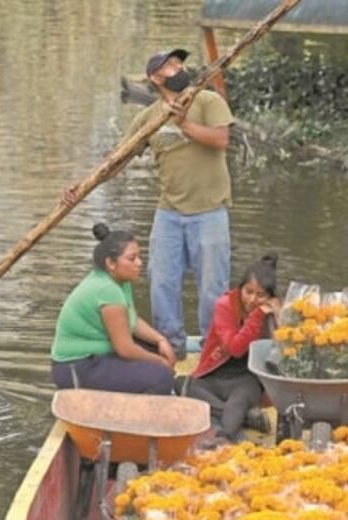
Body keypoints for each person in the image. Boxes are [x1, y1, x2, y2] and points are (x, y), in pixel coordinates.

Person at [126, 48, 235, 360]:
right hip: (169, 213)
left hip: (210, 210)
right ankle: (170, 348)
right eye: (170, 65)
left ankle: (213, 351)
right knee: (161, 283)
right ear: (155, 78)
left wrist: (183, 124)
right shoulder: (147, 119)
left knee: (213, 290)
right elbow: (119, 160)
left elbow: (221, 140)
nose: (178, 67)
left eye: (179, 62)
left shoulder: (208, 101)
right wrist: (80, 185)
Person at [50, 223, 175, 394]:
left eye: (139, 256)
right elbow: (124, 349)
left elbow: (131, 320)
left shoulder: (120, 281)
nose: (139, 263)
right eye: (132, 259)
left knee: (153, 348)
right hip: (76, 368)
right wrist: (160, 363)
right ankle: (130, 417)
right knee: (161, 377)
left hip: (94, 357)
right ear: (111, 263)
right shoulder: (107, 290)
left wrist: (161, 340)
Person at [179, 254, 280, 443]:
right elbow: (234, 348)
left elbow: (283, 347)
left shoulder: (273, 311)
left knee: (239, 400)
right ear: (240, 288)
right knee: (187, 388)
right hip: (214, 374)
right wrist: (257, 316)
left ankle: (224, 436)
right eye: (248, 291)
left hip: (246, 377)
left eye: (260, 295)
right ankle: (245, 419)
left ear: (270, 297)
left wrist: (278, 316)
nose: (251, 299)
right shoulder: (225, 305)